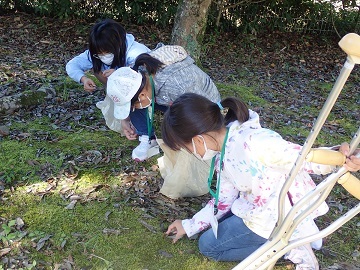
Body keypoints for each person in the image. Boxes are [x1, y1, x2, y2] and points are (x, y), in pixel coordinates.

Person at [161, 93, 360, 270]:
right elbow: (223, 201)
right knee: (207, 244)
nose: (192, 154)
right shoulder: (223, 152)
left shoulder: (255, 142)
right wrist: (188, 225)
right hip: (255, 210)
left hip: (274, 217)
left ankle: (290, 247)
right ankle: (286, 243)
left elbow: (303, 159)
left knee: (209, 247)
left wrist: (339, 158)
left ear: (197, 140)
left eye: (186, 149)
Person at [105, 45, 221, 161]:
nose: (132, 109)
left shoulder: (179, 85)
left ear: (143, 95)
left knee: (183, 127)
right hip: (170, 97)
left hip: (204, 105)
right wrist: (124, 120)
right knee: (135, 102)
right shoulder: (136, 74)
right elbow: (129, 97)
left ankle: (207, 144)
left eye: (132, 106)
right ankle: (147, 138)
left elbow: (196, 112)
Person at [65, 18, 150, 92]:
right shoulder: (94, 53)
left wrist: (120, 73)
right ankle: (113, 94)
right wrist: (83, 79)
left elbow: (145, 74)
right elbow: (72, 65)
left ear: (118, 44)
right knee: (96, 67)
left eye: (107, 51)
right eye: (99, 53)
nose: (103, 56)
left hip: (150, 90)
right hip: (123, 87)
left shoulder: (135, 52)